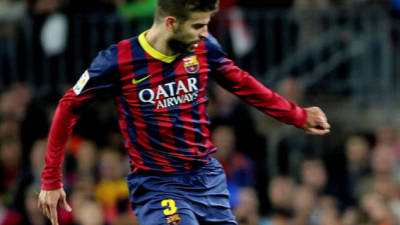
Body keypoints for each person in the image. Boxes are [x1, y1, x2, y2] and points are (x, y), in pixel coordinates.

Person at [37, 0, 331, 224]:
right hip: (157, 183)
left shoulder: (204, 48)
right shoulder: (118, 60)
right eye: (198, 26)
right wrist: (51, 179)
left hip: (207, 177)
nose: (205, 34)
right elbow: (68, 105)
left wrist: (297, 115)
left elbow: (242, 83)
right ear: (170, 23)